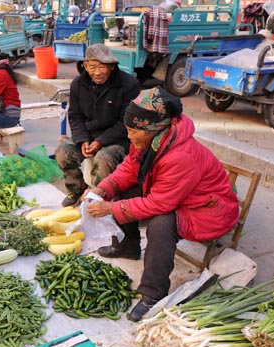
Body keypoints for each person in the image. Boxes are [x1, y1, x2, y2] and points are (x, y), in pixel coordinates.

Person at [83, 87, 239, 322]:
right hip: (181, 197)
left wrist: (111, 209)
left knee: (161, 224)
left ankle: (152, 295)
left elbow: (160, 204)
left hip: (209, 210)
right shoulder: (149, 138)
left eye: (132, 131)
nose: (129, 136)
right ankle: (128, 246)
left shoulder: (180, 155)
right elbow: (129, 168)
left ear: (151, 128)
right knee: (122, 191)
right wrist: (103, 189)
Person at [55, 43, 140, 207]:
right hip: (89, 134)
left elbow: (126, 122)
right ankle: (76, 190)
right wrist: (82, 140)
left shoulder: (129, 84)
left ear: (112, 66)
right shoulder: (78, 84)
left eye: (102, 67)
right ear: (85, 66)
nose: (98, 72)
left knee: (102, 159)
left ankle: (102, 200)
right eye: (93, 67)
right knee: (63, 151)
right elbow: (75, 116)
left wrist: (100, 142)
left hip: (119, 139)